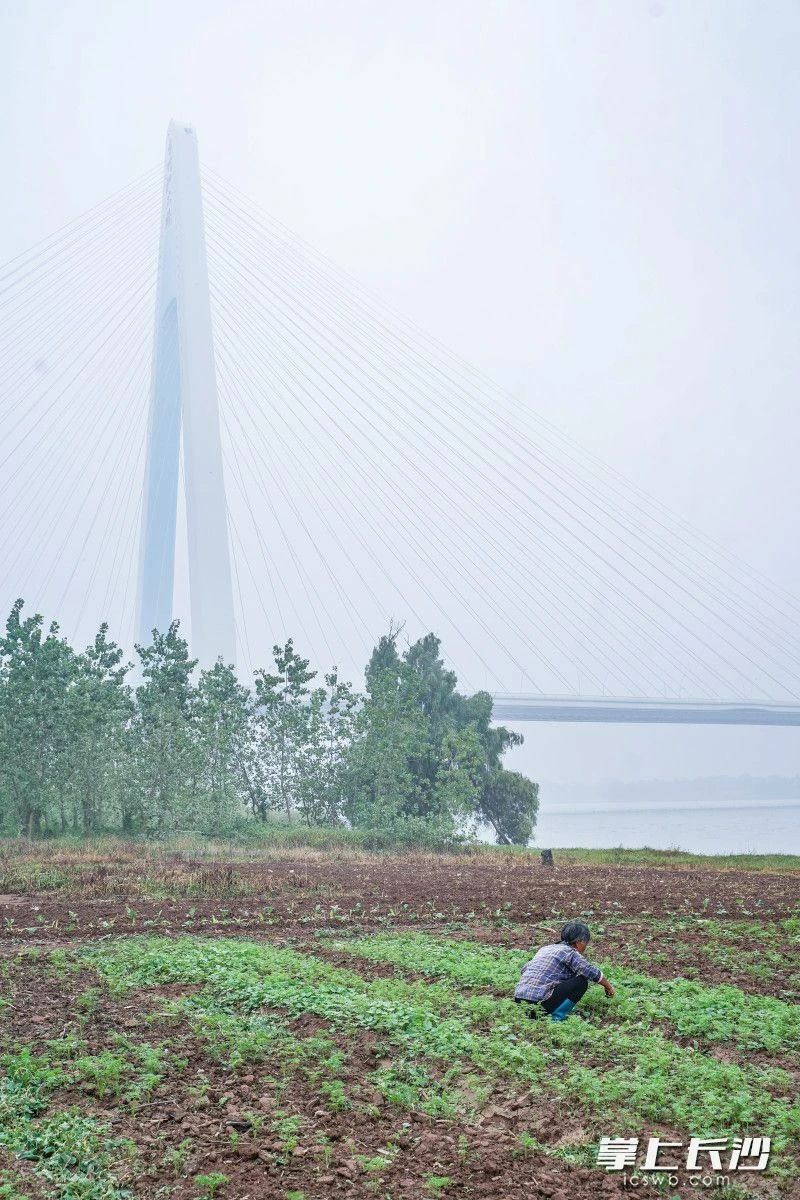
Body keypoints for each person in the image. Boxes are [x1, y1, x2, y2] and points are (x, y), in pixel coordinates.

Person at [514, 920, 615, 1021]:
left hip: (520, 1002)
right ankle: (556, 1019)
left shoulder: (545, 949)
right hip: (539, 1005)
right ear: (579, 942)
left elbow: (524, 969)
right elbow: (590, 972)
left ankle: (535, 1016)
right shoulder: (570, 952)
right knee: (581, 982)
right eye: (585, 943)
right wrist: (608, 987)